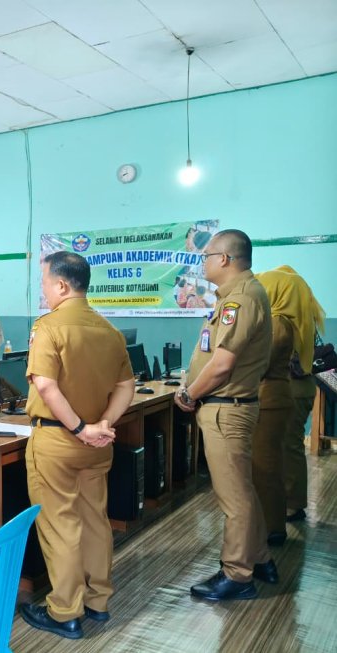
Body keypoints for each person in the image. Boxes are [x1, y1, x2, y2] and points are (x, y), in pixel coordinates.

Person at [20, 251, 134, 641]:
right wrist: (103, 424)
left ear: (63, 285)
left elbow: (45, 386)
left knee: (60, 525)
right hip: (97, 445)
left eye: (45, 284)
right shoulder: (109, 330)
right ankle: (98, 601)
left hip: (57, 439)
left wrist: (81, 427)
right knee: (95, 521)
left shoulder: (49, 327)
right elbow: (126, 386)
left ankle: (64, 610)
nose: (45, 291)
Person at [175, 229, 278, 601]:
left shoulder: (243, 298)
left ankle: (237, 574)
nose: (202, 262)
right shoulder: (234, 297)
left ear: (225, 259)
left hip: (226, 410)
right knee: (242, 491)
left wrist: (189, 393)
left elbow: (221, 366)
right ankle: (261, 559)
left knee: (233, 498)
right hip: (225, 408)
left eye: (206, 256)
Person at [250, 269, 298, 546]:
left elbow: (261, 364)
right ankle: (272, 523)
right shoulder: (284, 320)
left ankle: (271, 529)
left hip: (268, 400)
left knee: (265, 470)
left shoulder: (278, 322)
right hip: (274, 398)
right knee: (270, 467)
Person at [275, 265, 325, 523]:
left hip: (292, 388)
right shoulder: (307, 317)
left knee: (288, 446)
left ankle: (292, 506)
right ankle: (293, 502)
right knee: (291, 445)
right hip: (303, 387)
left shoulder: (286, 322)